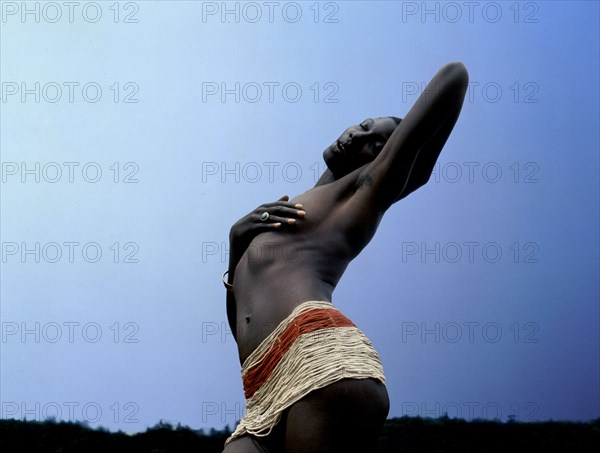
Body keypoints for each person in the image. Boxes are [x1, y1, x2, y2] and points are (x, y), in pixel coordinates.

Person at [221, 62, 469, 452]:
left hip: (320, 359)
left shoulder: (364, 192)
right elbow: (241, 326)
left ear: (386, 159)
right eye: (364, 124)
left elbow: (454, 76)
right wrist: (236, 242)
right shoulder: (299, 205)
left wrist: (403, 148)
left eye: (375, 142)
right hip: (260, 389)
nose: (357, 135)